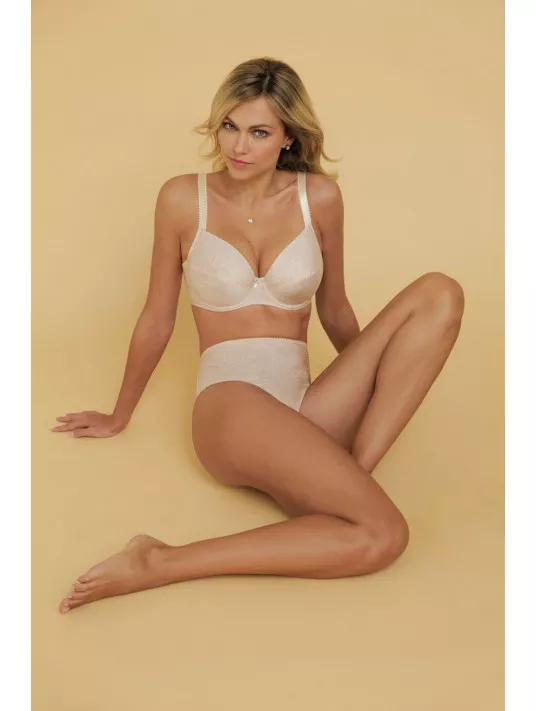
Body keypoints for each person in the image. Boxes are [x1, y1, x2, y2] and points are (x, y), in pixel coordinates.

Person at [53, 57, 465, 615]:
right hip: (231, 408)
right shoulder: (183, 198)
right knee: (385, 533)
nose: (238, 146)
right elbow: (157, 318)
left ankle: (350, 477)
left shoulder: (319, 198)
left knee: (440, 292)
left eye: (259, 132)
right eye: (230, 126)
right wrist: (118, 414)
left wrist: (371, 380)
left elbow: (335, 309)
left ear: (288, 136)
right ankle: (159, 560)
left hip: (305, 409)